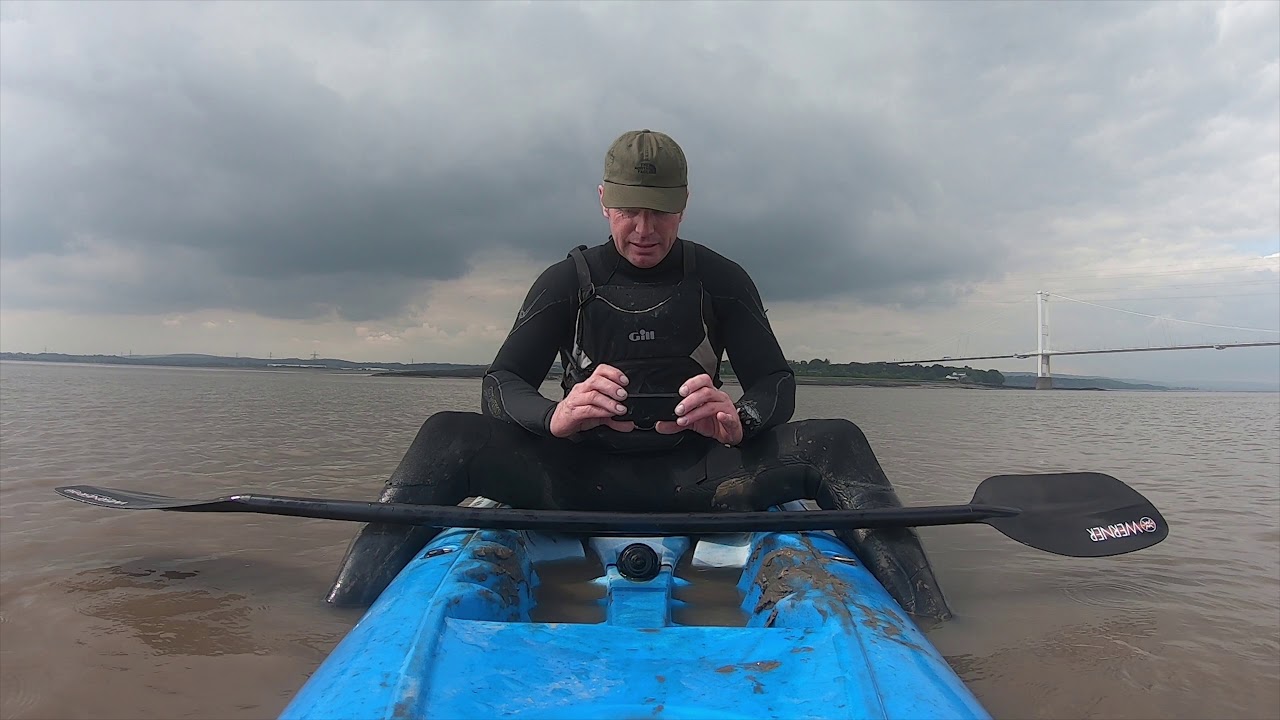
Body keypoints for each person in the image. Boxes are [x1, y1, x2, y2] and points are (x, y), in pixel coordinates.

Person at [324, 129, 954, 621]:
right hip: (579, 479)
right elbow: (500, 384)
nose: (643, 229)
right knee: (444, 433)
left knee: (838, 436)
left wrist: (742, 419)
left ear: (683, 207)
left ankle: (928, 616)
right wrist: (555, 416)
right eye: (628, 209)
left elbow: (777, 384)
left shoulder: (721, 280)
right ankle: (343, 614)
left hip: (701, 480)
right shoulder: (566, 281)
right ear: (604, 201)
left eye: (660, 211)